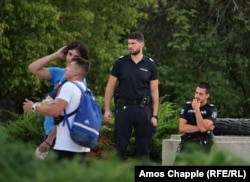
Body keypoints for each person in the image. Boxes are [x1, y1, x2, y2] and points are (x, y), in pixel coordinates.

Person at [104, 31, 159, 161]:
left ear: (142, 44)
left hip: (143, 109)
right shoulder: (120, 63)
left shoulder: (150, 64)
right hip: (124, 108)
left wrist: (154, 115)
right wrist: (107, 109)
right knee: (120, 146)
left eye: (133, 43)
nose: (130, 46)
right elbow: (110, 86)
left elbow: (155, 91)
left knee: (144, 147)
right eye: (128, 43)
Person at [23, 57, 91, 160]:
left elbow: (55, 111)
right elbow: (64, 117)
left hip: (66, 146)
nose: (65, 68)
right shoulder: (85, 90)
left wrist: (33, 107)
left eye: (69, 66)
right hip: (80, 146)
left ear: (77, 72)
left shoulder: (69, 87)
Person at [28, 40, 89, 146]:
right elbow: (32, 68)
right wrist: (56, 55)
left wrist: (49, 140)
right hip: (49, 130)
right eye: (69, 54)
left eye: (75, 56)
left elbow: (63, 112)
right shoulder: (59, 73)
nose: (70, 59)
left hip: (61, 134)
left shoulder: (77, 80)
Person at [174, 82, 218, 164]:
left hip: (202, 144)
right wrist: (202, 127)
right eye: (196, 93)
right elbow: (182, 127)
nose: (197, 96)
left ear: (207, 95)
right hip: (187, 142)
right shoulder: (187, 106)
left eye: (201, 94)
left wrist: (196, 109)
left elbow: (202, 129)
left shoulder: (211, 109)